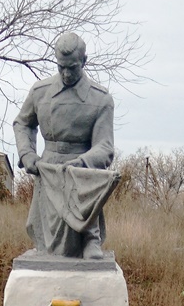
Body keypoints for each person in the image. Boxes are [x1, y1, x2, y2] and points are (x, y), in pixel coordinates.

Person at [13, 32, 118, 259]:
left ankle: (90, 239)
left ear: (84, 61)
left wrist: (81, 163)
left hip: (79, 173)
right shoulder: (40, 92)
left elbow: (105, 146)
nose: (67, 73)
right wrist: (27, 153)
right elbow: (22, 123)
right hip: (48, 171)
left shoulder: (101, 99)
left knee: (80, 218)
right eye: (61, 67)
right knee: (49, 249)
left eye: (73, 67)